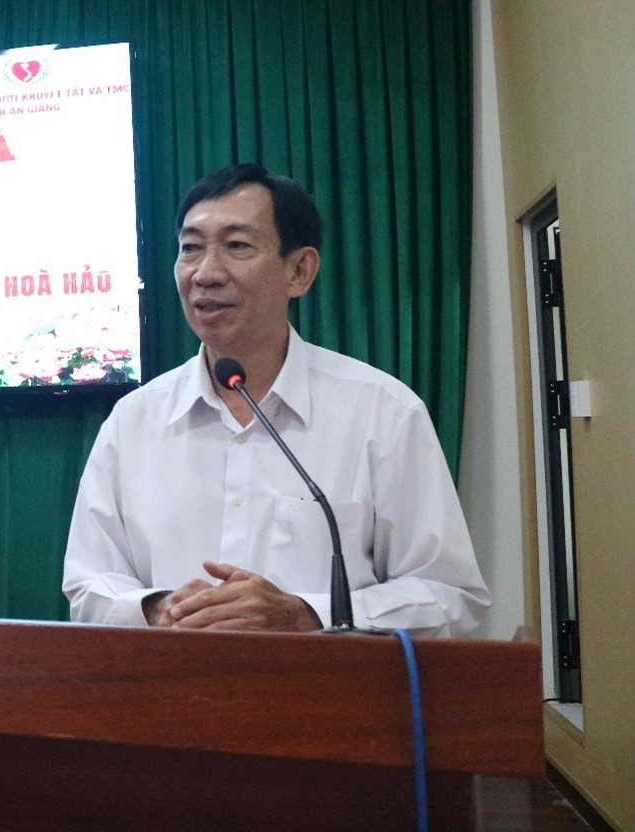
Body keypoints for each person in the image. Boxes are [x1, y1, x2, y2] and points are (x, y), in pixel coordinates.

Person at [62, 164, 489, 637]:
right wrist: (157, 609)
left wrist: (307, 614)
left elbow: (448, 594)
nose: (205, 274)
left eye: (237, 246)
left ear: (299, 270)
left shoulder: (381, 412)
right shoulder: (133, 421)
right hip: (171, 683)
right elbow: (88, 586)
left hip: (323, 685)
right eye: (191, 248)